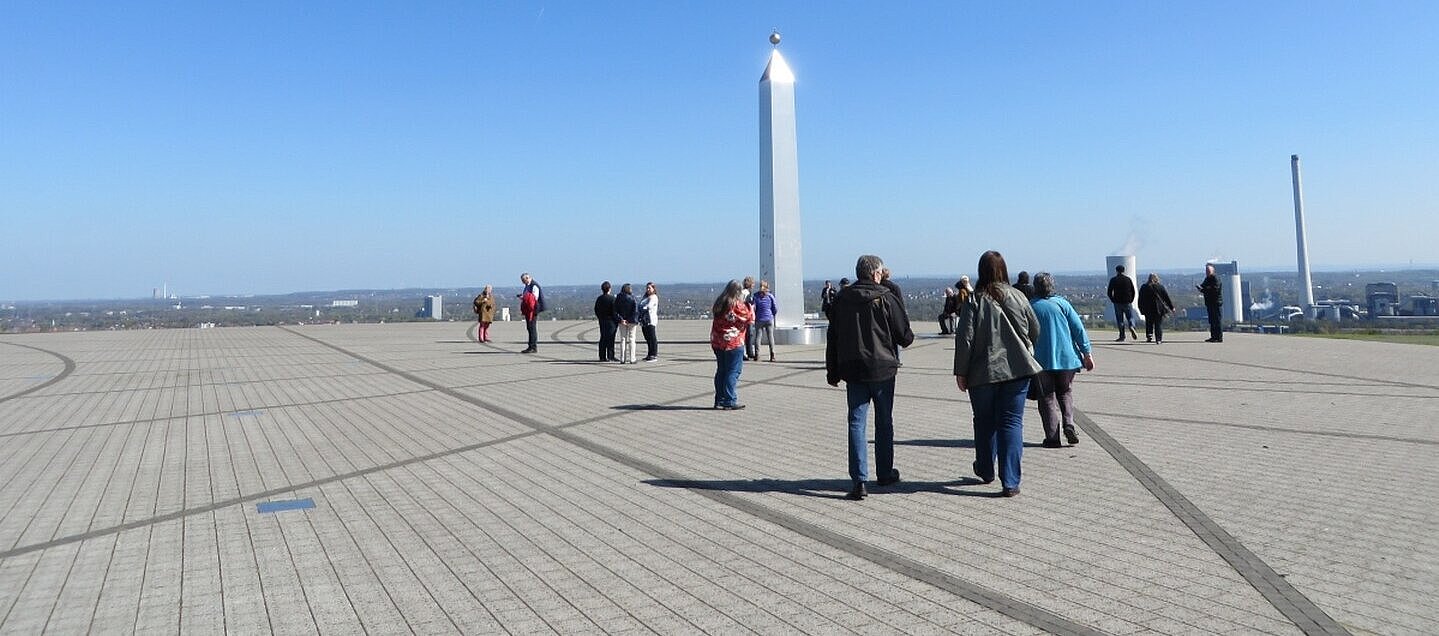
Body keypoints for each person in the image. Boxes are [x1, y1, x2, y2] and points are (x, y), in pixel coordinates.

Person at [954, 250, 1043, 497]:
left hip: (982, 373)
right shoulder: (1018, 296)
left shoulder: (974, 301)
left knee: (984, 422)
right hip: (1018, 370)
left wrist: (961, 371)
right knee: (1011, 423)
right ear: (1003, 269)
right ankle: (1011, 481)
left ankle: (985, 469)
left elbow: (965, 339)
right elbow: (1035, 329)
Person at [827, 255, 915, 501]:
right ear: (876, 274)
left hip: (853, 369)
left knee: (856, 423)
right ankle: (885, 473)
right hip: (882, 368)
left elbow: (832, 337)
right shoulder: (886, 297)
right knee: (884, 421)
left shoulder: (842, 298)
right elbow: (904, 336)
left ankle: (859, 481)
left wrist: (832, 371)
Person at [1029, 273, 1094, 448]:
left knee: (1047, 397)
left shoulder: (1030, 307)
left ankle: (1052, 437)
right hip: (1067, 358)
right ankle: (1069, 424)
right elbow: (1078, 328)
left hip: (1040, 360)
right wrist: (1087, 353)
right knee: (1065, 392)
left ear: (1035, 287)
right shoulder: (1062, 303)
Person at [710, 280, 753, 410]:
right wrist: (749, 304)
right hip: (733, 342)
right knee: (733, 371)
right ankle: (729, 400)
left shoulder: (719, 303)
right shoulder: (736, 305)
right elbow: (749, 318)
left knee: (721, 371)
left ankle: (719, 399)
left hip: (718, 341)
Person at [1137, 273, 1176, 344]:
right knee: (1158, 324)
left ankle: (1149, 335)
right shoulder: (1160, 287)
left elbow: (1140, 299)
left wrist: (1140, 307)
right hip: (1158, 308)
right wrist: (1172, 307)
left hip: (1147, 308)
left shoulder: (1144, 287)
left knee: (1149, 322)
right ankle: (1158, 339)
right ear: (1157, 279)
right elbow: (1166, 298)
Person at [1107, 265, 1139, 342]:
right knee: (1130, 317)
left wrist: (1113, 300)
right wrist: (1131, 300)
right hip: (1127, 302)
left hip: (1117, 302)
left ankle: (1122, 336)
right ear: (1123, 270)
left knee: (1120, 319)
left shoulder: (1113, 280)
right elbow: (1133, 291)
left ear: (1116, 271)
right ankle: (1132, 326)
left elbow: (1109, 292)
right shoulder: (1128, 279)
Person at [751, 280, 778, 362]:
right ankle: (772, 354)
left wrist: (755, 315)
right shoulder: (770, 296)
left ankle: (757, 355)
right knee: (770, 337)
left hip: (759, 318)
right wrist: (772, 314)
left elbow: (754, 308)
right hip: (769, 318)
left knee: (758, 337)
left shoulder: (756, 296)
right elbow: (775, 308)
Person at [615, 283, 640, 364]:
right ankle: (632, 358)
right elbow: (635, 311)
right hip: (632, 321)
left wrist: (621, 319)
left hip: (622, 321)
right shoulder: (633, 298)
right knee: (632, 339)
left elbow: (615, 310)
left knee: (623, 339)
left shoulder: (618, 298)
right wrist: (629, 319)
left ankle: (622, 358)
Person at [593, 281, 617, 361]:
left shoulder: (599, 299)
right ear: (609, 289)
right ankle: (610, 356)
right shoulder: (612, 299)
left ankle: (602, 356)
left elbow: (596, 309)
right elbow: (615, 311)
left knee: (603, 338)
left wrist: (600, 317)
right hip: (611, 321)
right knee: (611, 338)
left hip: (602, 320)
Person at [518, 273, 542, 353]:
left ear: (527, 278)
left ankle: (533, 347)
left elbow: (534, 298)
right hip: (528, 310)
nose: (523, 282)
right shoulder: (527, 286)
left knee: (532, 328)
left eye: (523, 280)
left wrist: (524, 297)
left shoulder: (534, 285)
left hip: (533, 310)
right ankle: (530, 346)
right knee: (529, 328)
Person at [1199, 263, 1223, 342]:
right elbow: (1203, 286)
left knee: (1217, 320)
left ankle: (1219, 337)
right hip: (1209, 303)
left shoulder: (1216, 278)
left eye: (1208, 271)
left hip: (1216, 302)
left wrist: (1205, 289)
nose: (1207, 272)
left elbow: (1215, 290)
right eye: (1206, 270)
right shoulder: (1207, 279)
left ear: (1213, 271)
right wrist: (1201, 288)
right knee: (1212, 320)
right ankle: (1213, 336)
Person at [639, 282, 660, 361]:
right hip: (644, 321)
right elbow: (640, 305)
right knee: (647, 338)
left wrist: (643, 308)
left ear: (653, 289)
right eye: (647, 288)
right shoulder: (645, 297)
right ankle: (649, 353)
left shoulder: (654, 297)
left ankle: (653, 354)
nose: (648, 289)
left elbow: (649, 306)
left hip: (650, 320)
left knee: (652, 338)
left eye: (649, 288)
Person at [741, 277, 759, 361]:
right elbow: (748, 304)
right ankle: (747, 353)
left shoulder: (744, 292)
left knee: (748, 335)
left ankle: (749, 352)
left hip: (747, 317)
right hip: (746, 317)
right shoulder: (746, 293)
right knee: (747, 335)